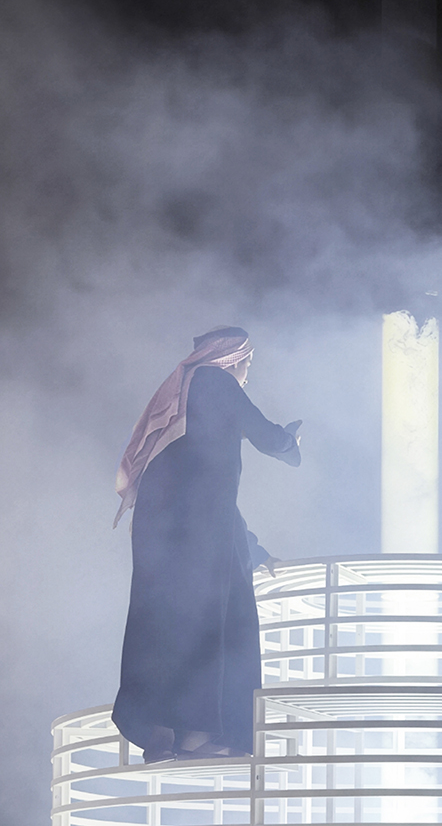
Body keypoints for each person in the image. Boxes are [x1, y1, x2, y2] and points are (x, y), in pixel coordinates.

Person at [111, 326, 301, 763]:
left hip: (174, 527)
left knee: (168, 623)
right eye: (247, 364)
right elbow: (265, 435)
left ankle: (169, 737)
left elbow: (207, 489)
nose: (248, 375)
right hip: (192, 531)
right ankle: (197, 736)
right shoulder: (212, 381)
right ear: (232, 359)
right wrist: (291, 443)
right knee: (213, 626)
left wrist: (250, 547)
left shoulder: (184, 397)